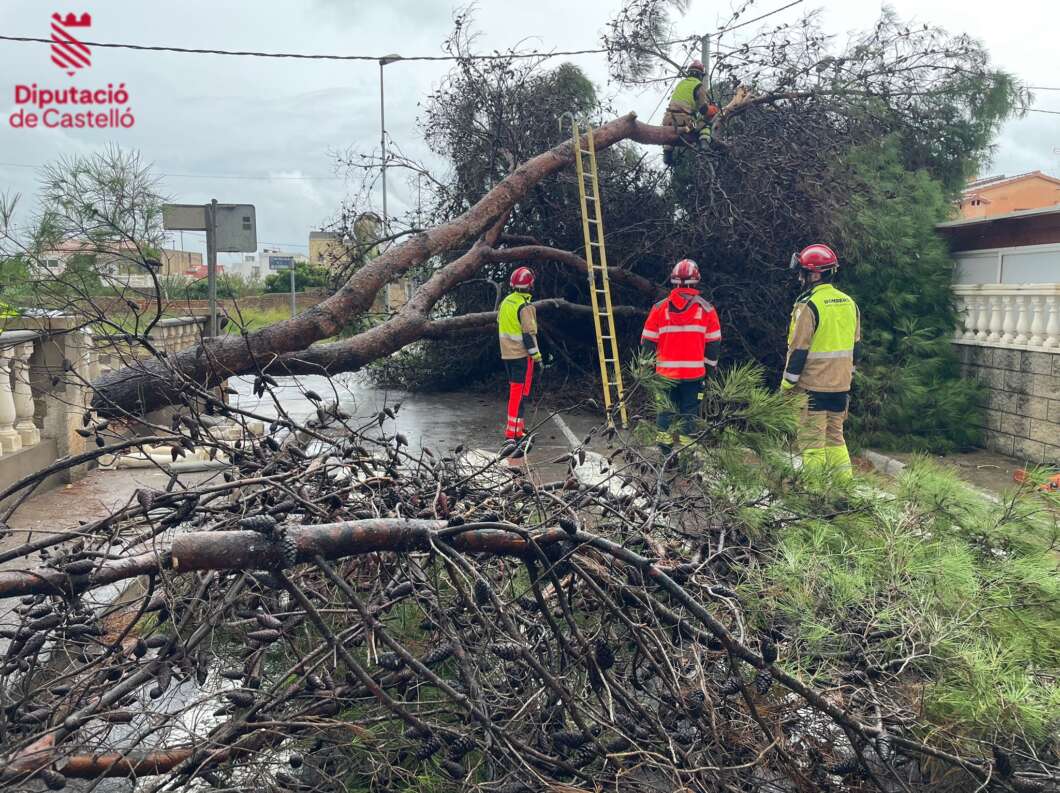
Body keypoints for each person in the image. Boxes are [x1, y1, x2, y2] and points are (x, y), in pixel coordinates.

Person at [782, 244, 862, 479]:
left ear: (815, 275)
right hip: (840, 386)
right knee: (835, 438)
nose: (801, 278)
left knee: (812, 442)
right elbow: (856, 348)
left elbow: (798, 350)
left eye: (804, 273)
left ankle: (815, 492)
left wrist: (786, 386)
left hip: (812, 387)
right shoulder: (849, 303)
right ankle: (844, 489)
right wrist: (847, 378)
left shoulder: (808, 305)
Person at [640, 259, 722, 457]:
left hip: (665, 375)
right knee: (690, 414)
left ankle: (665, 456)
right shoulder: (707, 310)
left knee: (665, 413)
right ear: (697, 281)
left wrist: (645, 371)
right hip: (694, 377)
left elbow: (648, 343)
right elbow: (713, 345)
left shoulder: (659, 309)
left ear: (673, 281)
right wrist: (709, 373)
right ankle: (687, 457)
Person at [497, 266, 542, 457]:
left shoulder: (507, 301)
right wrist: (537, 357)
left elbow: (500, 322)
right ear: (529, 285)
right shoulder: (525, 307)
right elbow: (528, 335)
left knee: (518, 393)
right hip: (521, 356)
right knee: (518, 395)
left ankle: (518, 430)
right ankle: (512, 435)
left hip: (507, 354)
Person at [661, 60, 719, 166]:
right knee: (707, 122)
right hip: (685, 122)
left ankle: (667, 153)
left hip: (668, 120)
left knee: (671, 131)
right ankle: (704, 144)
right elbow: (703, 110)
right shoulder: (699, 86)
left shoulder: (681, 83)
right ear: (701, 75)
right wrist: (714, 109)